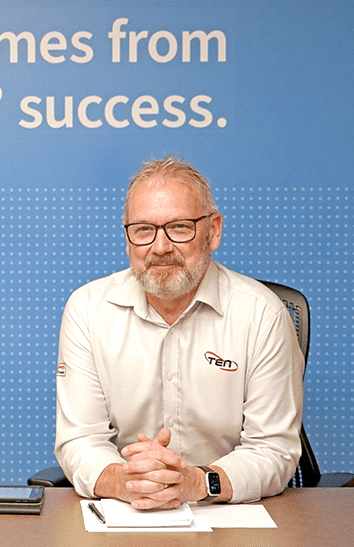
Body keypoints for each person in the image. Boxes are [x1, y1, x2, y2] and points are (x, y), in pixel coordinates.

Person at [54, 155, 303, 508]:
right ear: (127, 236)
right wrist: (123, 482)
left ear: (213, 230)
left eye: (180, 227)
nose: (160, 247)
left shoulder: (261, 313)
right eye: (144, 230)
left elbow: (273, 449)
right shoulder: (88, 310)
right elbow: (80, 439)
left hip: (227, 512)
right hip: (126, 511)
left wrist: (198, 482)